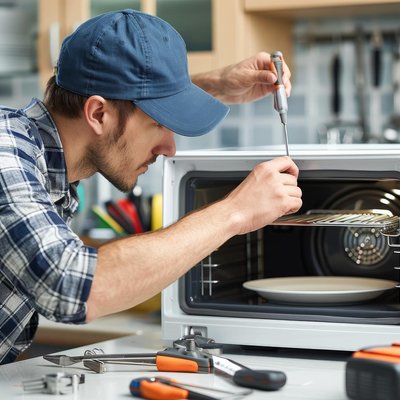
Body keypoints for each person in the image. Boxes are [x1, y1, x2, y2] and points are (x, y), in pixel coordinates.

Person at [0, 9, 302, 364]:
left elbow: (121, 103)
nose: (169, 148)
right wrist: (236, 211)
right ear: (97, 114)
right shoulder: (5, 150)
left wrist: (213, 84)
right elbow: (68, 284)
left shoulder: (46, 154)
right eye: (159, 123)